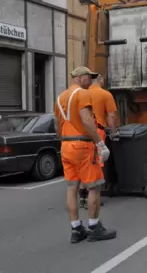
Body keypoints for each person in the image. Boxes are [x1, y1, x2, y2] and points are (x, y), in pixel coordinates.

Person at [54, 66, 117, 243]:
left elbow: (57, 126)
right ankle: (94, 226)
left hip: (66, 145)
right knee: (94, 186)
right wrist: (99, 143)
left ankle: (76, 229)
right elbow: (87, 120)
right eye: (89, 77)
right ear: (80, 77)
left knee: (71, 187)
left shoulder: (60, 98)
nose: (90, 80)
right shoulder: (82, 94)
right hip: (83, 145)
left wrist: (66, 141)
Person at [79, 74, 119, 209]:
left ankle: (82, 196)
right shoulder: (105, 94)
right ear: (100, 81)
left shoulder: (83, 93)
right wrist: (113, 132)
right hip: (98, 132)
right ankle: (93, 198)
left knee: (86, 164)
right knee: (97, 164)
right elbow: (111, 115)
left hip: (82, 133)